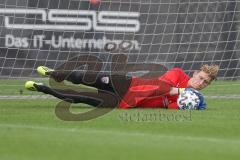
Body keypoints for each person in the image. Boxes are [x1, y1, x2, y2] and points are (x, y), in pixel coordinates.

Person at [25, 62, 219, 110]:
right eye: (200, 77)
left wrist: (187, 105)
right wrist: (184, 91)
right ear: (194, 73)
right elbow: (161, 87)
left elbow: (170, 107)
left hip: (124, 103)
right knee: (89, 77)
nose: (200, 83)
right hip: (128, 83)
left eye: (205, 82)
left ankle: (41, 87)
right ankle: (54, 73)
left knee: (80, 97)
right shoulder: (177, 73)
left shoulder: (192, 99)